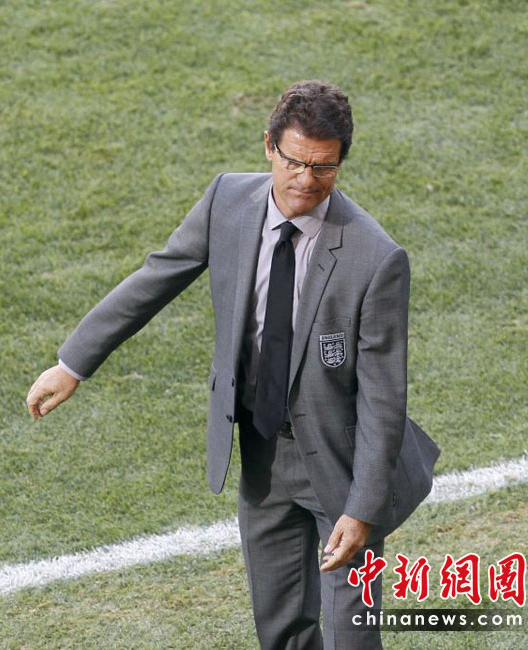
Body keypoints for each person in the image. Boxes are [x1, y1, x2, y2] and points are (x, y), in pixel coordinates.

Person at [26, 80, 439, 649]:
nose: (306, 180)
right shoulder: (226, 201)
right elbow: (156, 278)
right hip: (262, 458)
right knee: (280, 630)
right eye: (294, 162)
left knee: (352, 638)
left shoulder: (376, 257)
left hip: (342, 467)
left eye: (323, 167)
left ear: (342, 161)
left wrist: (363, 508)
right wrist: (72, 364)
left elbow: (384, 396)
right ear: (268, 145)